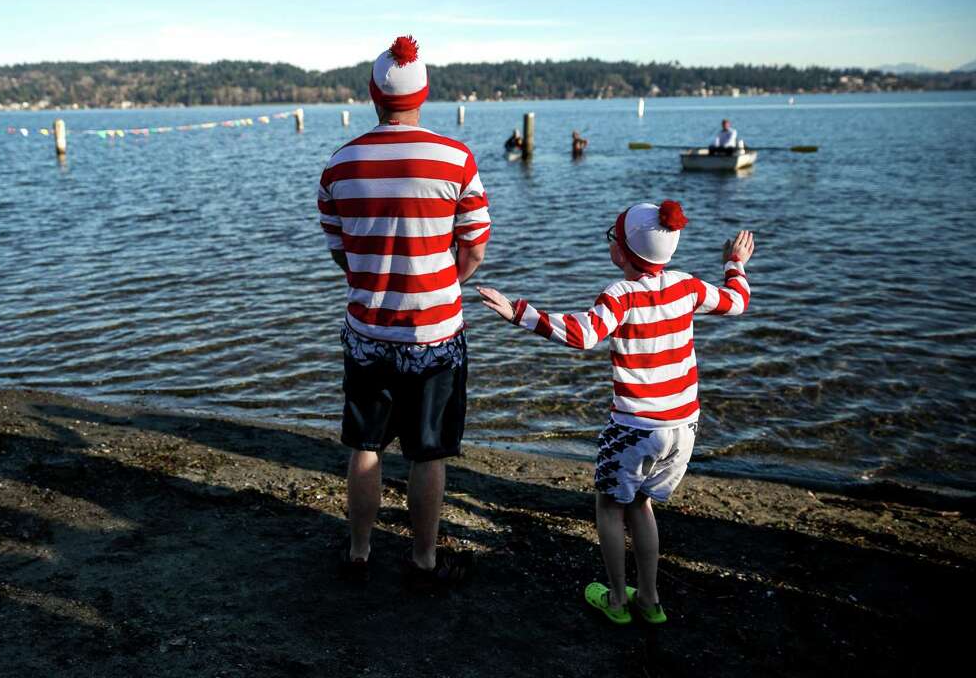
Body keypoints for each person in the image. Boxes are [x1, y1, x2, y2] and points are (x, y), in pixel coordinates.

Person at [476, 201, 754, 623]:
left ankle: (617, 601)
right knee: (642, 505)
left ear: (622, 253)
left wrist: (519, 312)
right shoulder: (688, 287)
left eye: (613, 237)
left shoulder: (620, 295)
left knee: (609, 507)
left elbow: (583, 334)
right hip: (683, 428)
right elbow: (737, 302)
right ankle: (650, 598)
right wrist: (735, 262)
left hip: (635, 427)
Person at [318, 35, 491, 588]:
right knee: (427, 451)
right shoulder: (456, 160)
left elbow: (342, 253)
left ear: (372, 94)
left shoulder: (339, 165)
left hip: (368, 329)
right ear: (425, 94)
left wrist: (377, 283)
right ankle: (422, 559)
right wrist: (443, 285)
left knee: (365, 445)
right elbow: (475, 248)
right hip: (435, 332)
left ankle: (359, 552)